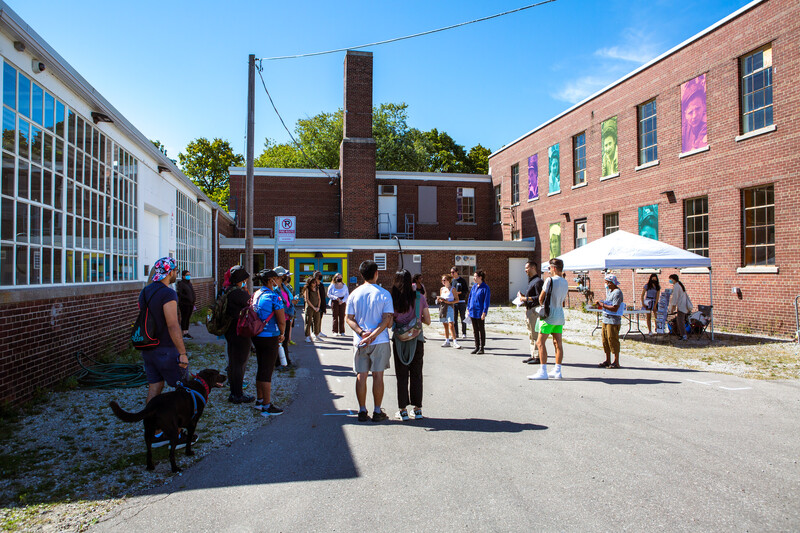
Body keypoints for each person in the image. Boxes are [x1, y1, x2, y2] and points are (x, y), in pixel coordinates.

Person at [137, 257, 191, 447]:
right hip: (166, 350)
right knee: (183, 391)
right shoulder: (168, 293)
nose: (176, 273)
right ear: (169, 272)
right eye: (175, 270)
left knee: (154, 388)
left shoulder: (145, 291)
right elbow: (173, 325)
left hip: (148, 348)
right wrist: (182, 352)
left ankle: (154, 433)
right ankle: (176, 435)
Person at [345, 260, 395, 422]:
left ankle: (361, 409)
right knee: (378, 375)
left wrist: (362, 333)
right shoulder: (384, 294)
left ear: (361, 274)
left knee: (361, 374)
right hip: (379, 340)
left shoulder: (354, 294)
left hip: (360, 341)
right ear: (376, 273)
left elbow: (349, 318)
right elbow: (387, 319)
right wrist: (373, 335)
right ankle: (377, 410)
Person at [390, 269, 431, 420]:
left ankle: (402, 410)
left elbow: (390, 323)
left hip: (399, 340)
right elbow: (428, 320)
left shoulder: (393, 299)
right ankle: (417, 409)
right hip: (417, 339)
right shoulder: (420, 297)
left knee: (401, 375)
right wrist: (416, 319)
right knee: (416, 374)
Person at [251, 269, 286, 415]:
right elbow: (281, 320)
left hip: (256, 334)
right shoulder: (274, 296)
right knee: (267, 371)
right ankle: (267, 405)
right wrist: (282, 333)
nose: (279, 281)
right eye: (278, 279)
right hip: (270, 336)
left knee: (261, 367)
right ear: (272, 280)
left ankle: (259, 400)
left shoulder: (256, 294)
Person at [529, 258, 568, 380]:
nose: (549, 270)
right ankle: (557, 370)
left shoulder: (549, 280)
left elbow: (541, 298)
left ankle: (543, 370)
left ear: (554, 268)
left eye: (549, 268)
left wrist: (542, 305)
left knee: (540, 342)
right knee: (558, 343)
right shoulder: (565, 282)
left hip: (549, 315)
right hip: (559, 314)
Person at [223, 266, 255, 403]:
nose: (245, 282)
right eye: (245, 280)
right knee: (239, 364)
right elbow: (253, 305)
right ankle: (238, 394)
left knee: (233, 362)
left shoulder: (228, 291)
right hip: (240, 332)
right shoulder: (239, 293)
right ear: (240, 279)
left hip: (230, 331)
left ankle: (234, 393)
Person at [517, 260, 544, 364]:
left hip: (534, 311)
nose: (525, 270)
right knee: (530, 334)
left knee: (535, 334)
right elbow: (531, 296)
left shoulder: (538, 281)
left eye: (527, 268)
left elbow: (539, 297)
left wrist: (525, 298)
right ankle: (533, 355)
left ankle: (538, 357)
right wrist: (523, 297)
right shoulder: (531, 281)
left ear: (533, 268)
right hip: (529, 310)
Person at [596, 274, 624, 368]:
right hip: (606, 319)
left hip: (613, 320)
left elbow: (615, 308)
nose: (606, 284)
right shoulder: (610, 291)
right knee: (605, 340)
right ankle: (608, 360)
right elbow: (608, 303)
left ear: (611, 283)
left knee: (612, 339)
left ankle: (616, 361)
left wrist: (603, 305)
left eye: (607, 282)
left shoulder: (617, 293)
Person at [273, 266, 296, 368]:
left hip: (287, 317)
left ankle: (286, 361)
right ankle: (279, 362)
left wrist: (292, 303)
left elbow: (288, 301)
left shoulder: (284, 288)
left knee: (285, 340)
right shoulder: (275, 289)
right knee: (279, 340)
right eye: (282, 276)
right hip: (279, 318)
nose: (284, 277)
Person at [466, 270, 491, 354]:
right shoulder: (474, 287)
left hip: (480, 311)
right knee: (475, 330)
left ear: (480, 277)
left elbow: (486, 301)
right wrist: (468, 308)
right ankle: (476, 346)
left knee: (481, 329)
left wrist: (484, 312)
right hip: (472, 311)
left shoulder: (485, 288)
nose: (474, 278)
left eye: (475, 276)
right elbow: (470, 298)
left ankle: (482, 347)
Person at [681, 77, 708, 152]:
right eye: (690, 112)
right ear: (685, 114)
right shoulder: (684, 129)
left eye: (698, 109)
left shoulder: (706, 123)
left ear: (703, 106)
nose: (694, 115)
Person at [436, 274, 461, 349]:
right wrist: (439, 299)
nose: (443, 281)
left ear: (448, 280)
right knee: (445, 325)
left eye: (444, 280)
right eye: (442, 280)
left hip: (450, 307)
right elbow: (441, 298)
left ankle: (455, 342)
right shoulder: (442, 289)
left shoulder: (453, 289)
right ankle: (447, 341)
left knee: (451, 324)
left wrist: (449, 302)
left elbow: (457, 300)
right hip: (443, 308)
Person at [668, 274, 693, 340]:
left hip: (681, 306)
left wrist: (672, 307)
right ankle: (681, 334)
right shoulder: (679, 285)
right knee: (680, 320)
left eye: (670, 279)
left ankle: (683, 335)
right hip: (683, 306)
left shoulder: (676, 286)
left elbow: (675, 298)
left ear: (673, 279)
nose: (670, 281)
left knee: (680, 321)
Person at [176, 270, 196, 339]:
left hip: (190, 303)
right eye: (187, 275)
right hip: (184, 304)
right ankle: (183, 332)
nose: (188, 276)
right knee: (184, 318)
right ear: (183, 276)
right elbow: (179, 293)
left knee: (188, 318)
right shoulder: (181, 284)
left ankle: (186, 331)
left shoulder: (189, 284)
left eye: (189, 275)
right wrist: (187, 297)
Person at [450, 267, 469, 340]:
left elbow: (466, 290)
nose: (452, 274)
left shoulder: (462, 280)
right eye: (451, 272)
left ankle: (464, 333)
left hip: (461, 302)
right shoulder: (451, 281)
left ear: (457, 272)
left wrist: (460, 293)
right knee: (454, 318)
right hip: (454, 302)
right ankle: (456, 333)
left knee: (462, 318)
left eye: (453, 272)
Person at [302, 276, 322, 342]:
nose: (314, 284)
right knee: (308, 321)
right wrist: (313, 307)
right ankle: (307, 336)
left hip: (316, 307)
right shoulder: (307, 289)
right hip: (310, 307)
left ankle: (316, 334)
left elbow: (319, 298)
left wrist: (318, 307)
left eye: (315, 283)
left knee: (317, 321)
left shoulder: (317, 288)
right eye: (313, 283)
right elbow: (307, 299)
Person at [314, 271, 329, 338]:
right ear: (316, 276)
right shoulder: (313, 285)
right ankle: (314, 332)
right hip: (315, 304)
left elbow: (323, 296)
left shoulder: (321, 285)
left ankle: (319, 331)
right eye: (319, 275)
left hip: (321, 304)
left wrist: (324, 306)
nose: (321, 276)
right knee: (315, 320)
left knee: (320, 318)